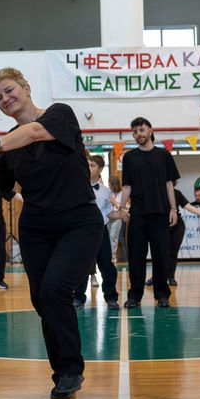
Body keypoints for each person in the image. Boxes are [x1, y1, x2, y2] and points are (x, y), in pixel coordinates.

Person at [0, 68, 101, 399]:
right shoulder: (8, 146)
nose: (5, 99)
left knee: (56, 288)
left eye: (9, 90)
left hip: (79, 222)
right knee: (42, 298)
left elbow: (34, 133)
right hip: (35, 228)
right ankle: (62, 373)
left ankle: (71, 369)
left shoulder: (59, 115)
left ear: (27, 88)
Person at [117, 117, 179, 308]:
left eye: (141, 130)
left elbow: (170, 185)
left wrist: (173, 209)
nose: (138, 134)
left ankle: (162, 294)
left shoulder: (164, 156)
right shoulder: (129, 158)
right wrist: (121, 207)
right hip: (137, 215)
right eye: (135, 132)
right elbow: (126, 186)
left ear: (150, 131)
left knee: (161, 256)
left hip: (160, 214)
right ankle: (135, 295)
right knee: (136, 256)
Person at [73, 155, 120, 308]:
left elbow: (108, 213)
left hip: (100, 231)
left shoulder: (106, 191)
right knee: (81, 265)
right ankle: (79, 296)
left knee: (106, 264)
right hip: (82, 231)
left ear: (100, 169)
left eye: (92, 165)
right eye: (87, 164)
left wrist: (120, 214)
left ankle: (111, 297)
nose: (88, 167)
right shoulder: (77, 187)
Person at [107, 175, 124, 261]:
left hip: (117, 219)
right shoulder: (108, 192)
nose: (108, 184)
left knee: (113, 236)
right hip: (108, 218)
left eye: (109, 183)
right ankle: (108, 255)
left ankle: (113, 255)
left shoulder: (122, 194)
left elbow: (125, 206)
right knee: (107, 237)